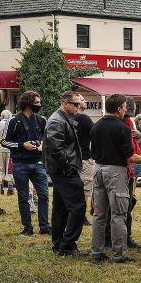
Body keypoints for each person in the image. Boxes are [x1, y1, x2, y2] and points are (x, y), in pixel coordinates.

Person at [90, 94, 137, 263]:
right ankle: (119, 255)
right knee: (118, 214)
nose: (126, 110)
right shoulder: (122, 128)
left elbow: (92, 151)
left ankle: (96, 252)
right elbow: (128, 156)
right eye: (124, 107)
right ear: (118, 109)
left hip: (98, 169)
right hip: (116, 171)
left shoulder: (96, 126)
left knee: (99, 215)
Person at [43, 91, 87, 256]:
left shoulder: (61, 118)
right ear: (65, 103)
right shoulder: (57, 120)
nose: (79, 107)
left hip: (61, 169)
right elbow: (56, 149)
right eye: (76, 104)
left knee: (61, 207)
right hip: (63, 170)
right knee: (78, 206)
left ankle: (60, 243)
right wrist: (68, 168)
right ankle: (67, 244)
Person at [3, 91, 50, 236]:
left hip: (38, 163)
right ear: (27, 103)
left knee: (44, 195)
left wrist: (43, 144)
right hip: (20, 164)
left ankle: (44, 227)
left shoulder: (41, 119)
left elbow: (47, 138)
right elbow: (4, 141)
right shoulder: (14, 121)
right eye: (36, 103)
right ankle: (27, 228)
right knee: (23, 197)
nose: (39, 105)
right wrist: (22, 145)